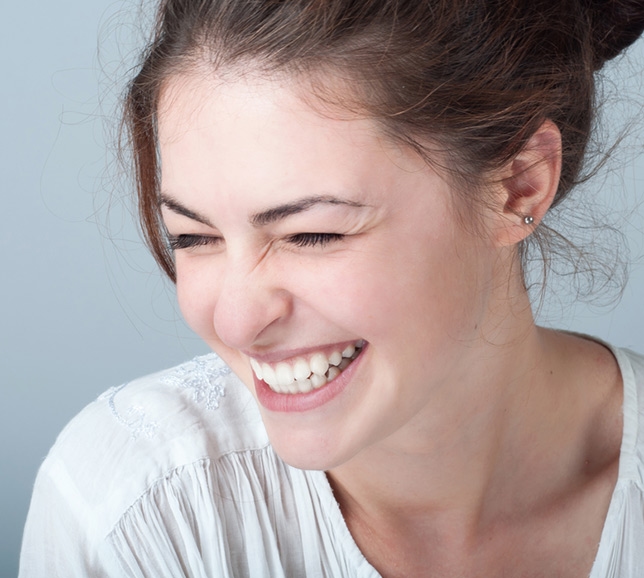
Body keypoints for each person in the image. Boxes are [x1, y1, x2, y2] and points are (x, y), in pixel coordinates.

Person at [19, 0, 644, 576]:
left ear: (518, 186)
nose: (235, 322)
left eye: (311, 234)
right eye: (193, 238)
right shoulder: (137, 512)